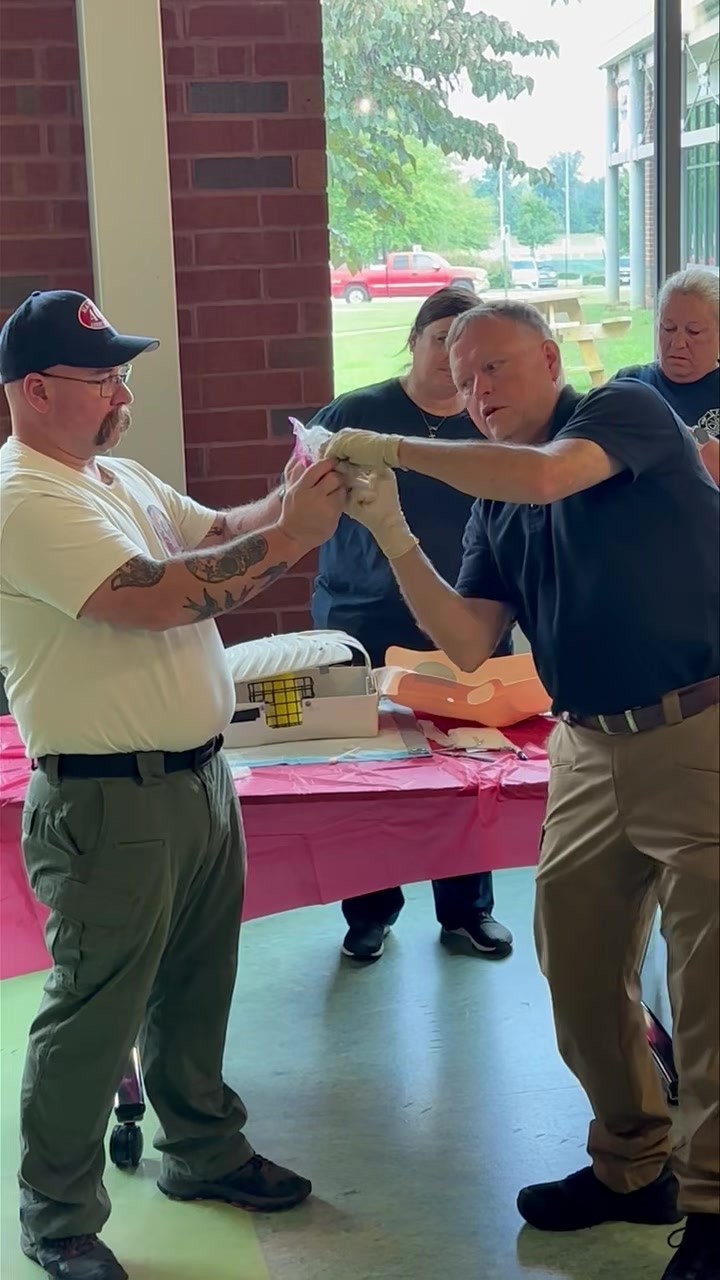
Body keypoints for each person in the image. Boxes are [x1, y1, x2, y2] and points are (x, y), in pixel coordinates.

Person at [323, 299, 719, 1280]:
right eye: (463, 380)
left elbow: (549, 476)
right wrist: (390, 526)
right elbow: (467, 641)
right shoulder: (499, 505)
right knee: (578, 968)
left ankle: (714, 1205)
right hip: (585, 747)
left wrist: (396, 450)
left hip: (696, 726)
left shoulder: (622, 414)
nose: (478, 394)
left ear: (550, 359)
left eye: (496, 368)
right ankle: (634, 1163)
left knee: (712, 987)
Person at [0, 290, 347, 1280]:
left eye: (121, 371)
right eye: (100, 375)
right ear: (34, 390)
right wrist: (290, 538)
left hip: (196, 780)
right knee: (93, 1011)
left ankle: (202, 1149)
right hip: (108, 800)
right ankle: (59, 1215)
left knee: (198, 988)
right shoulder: (27, 496)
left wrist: (289, 493)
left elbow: (212, 528)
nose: (121, 391)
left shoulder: (108, 473)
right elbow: (157, 597)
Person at [311, 287, 513, 962]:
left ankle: (466, 910)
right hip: (363, 613)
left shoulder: (492, 421)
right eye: (442, 341)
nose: (455, 362)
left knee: (468, 767)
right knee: (367, 774)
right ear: (414, 340)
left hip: (463, 617)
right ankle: (370, 909)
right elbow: (299, 498)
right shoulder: (359, 415)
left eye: (472, 351)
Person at [615, 266, 719, 484]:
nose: (678, 343)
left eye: (694, 331)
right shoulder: (630, 381)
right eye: (668, 328)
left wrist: (687, 434)